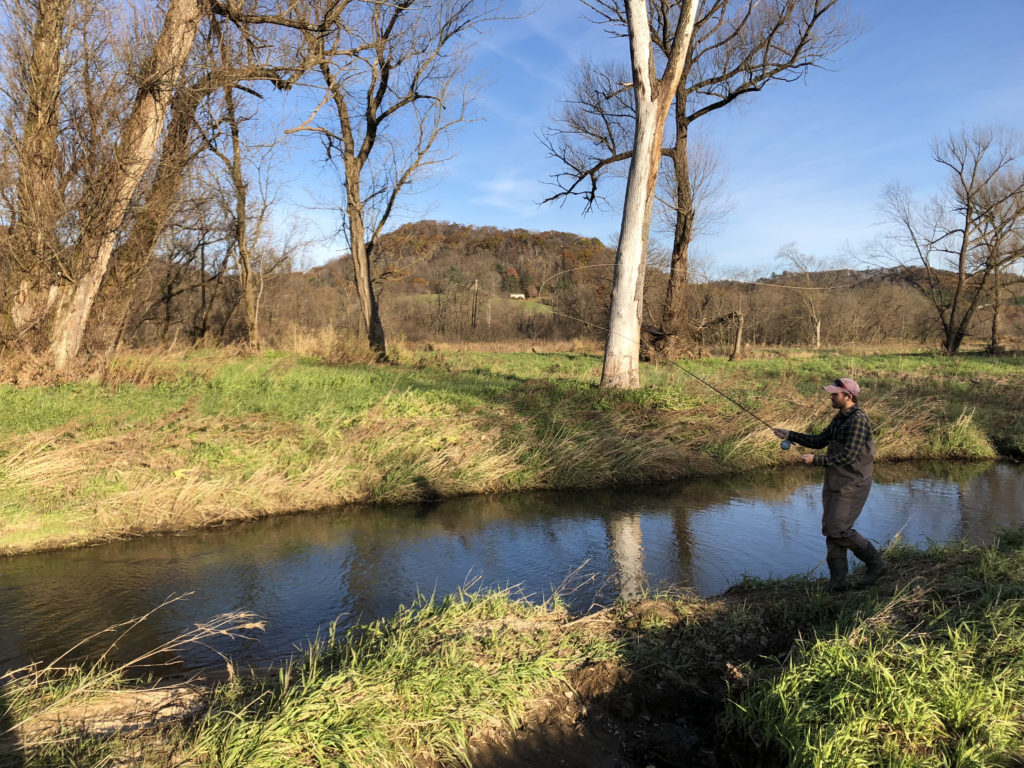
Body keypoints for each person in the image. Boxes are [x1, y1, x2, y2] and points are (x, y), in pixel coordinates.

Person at [773, 377, 886, 592]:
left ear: (848, 396)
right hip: (836, 480)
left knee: (839, 529)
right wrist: (790, 434)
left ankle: (876, 564)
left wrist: (816, 460)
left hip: (853, 483)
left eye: (834, 394)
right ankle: (838, 582)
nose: (830, 397)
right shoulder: (840, 418)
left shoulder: (858, 420)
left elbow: (850, 456)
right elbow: (819, 440)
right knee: (831, 529)